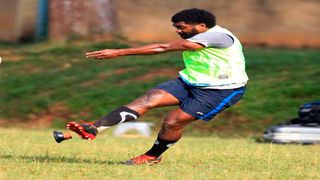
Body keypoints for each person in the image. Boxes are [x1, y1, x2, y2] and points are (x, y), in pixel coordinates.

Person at [66, 8, 248, 165]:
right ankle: (94, 128)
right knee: (149, 99)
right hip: (190, 81)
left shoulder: (218, 36)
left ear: (201, 25)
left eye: (181, 27)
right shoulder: (199, 34)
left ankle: (153, 156)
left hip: (221, 90)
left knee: (172, 122)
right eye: (176, 27)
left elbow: (164, 47)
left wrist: (119, 52)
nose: (177, 31)